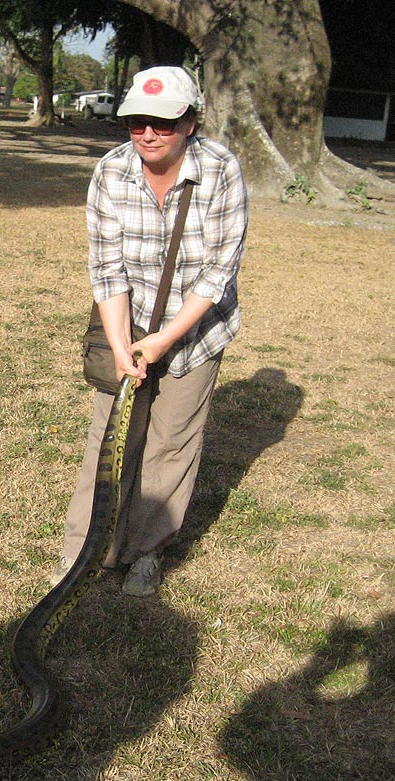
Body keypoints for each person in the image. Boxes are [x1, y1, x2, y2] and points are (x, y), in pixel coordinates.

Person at [55, 66, 248, 597]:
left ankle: (145, 551)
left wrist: (166, 340)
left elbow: (217, 272)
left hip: (197, 330)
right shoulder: (111, 173)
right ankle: (83, 551)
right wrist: (122, 347)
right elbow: (107, 269)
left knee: (170, 442)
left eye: (163, 122)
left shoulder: (221, 171)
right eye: (137, 121)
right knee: (110, 438)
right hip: (129, 323)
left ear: (190, 122)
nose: (148, 133)